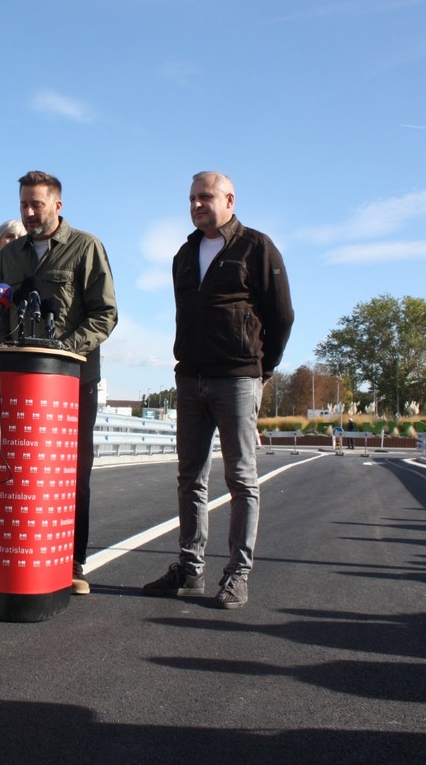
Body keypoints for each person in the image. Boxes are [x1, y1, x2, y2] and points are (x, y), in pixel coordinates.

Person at [143, 171, 294, 609]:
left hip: (238, 378)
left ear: (229, 199)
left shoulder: (256, 247)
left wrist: (261, 369)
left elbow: (281, 315)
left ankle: (237, 574)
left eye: (204, 197)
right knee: (190, 477)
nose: (195, 205)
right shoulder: (184, 254)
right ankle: (189, 570)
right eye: (191, 198)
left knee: (241, 478)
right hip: (190, 377)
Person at [0, 170, 118, 596]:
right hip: (19, 383)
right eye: (24, 205)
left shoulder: (86, 248)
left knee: (69, 473)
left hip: (71, 382)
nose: (29, 213)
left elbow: (105, 314)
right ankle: (16, 552)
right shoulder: (11, 257)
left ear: (57, 206)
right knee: (17, 471)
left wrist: (61, 350)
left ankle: (71, 559)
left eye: (37, 205)